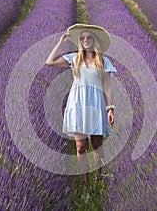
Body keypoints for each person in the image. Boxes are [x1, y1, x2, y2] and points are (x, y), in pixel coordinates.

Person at [46, 24, 117, 183]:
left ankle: (98, 178)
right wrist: (61, 42)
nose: (85, 40)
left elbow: (107, 86)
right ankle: (85, 182)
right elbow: (50, 61)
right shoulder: (74, 58)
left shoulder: (103, 61)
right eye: (83, 38)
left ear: (94, 40)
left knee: (97, 146)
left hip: (96, 104)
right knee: (80, 147)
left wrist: (110, 108)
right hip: (78, 104)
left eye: (89, 37)